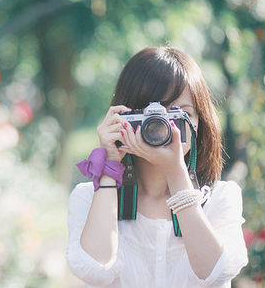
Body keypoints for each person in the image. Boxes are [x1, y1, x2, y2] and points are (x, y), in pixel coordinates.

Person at [66, 47, 248, 287]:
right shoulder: (90, 198)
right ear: (126, 117)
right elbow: (95, 270)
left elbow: (215, 273)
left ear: (198, 123)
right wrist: (109, 164)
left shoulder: (220, 198)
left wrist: (176, 174)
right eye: (152, 113)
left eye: (180, 113)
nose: (164, 125)